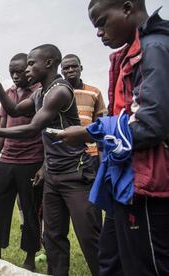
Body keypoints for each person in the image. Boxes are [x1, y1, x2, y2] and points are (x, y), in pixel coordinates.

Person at [0, 44, 101, 276]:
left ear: (48, 63)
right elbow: (14, 110)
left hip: (75, 174)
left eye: (31, 63)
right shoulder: (40, 93)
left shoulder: (59, 91)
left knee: (90, 237)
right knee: (53, 237)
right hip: (54, 175)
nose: (27, 69)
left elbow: (32, 129)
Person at [57, 1, 169, 275]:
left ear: (128, 8)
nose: (98, 33)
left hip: (147, 184)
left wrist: (89, 132)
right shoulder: (133, 51)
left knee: (145, 265)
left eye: (102, 22)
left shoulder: (154, 48)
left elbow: (150, 123)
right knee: (110, 259)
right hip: (126, 181)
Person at [0, 53, 44, 271]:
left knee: (30, 210)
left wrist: (44, 165)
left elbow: (45, 130)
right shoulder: (9, 92)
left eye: (20, 71)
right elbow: (4, 123)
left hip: (31, 159)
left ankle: (30, 257)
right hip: (7, 160)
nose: (16, 75)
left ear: (29, 69)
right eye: (12, 71)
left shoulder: (39, 92)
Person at [61, 54, 107, 169]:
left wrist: (102, 156)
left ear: (81, 68)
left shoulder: (94, 92)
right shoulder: (57, 93)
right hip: (64, 153)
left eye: (74, 66)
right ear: (61, 71)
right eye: (66, 68)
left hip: (90, 153)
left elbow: (100, 125)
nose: (70, 70)